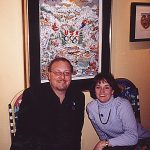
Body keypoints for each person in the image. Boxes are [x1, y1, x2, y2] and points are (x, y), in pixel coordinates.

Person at [10, 57, 85, 150]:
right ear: (49, 75)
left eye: (67, 73)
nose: (62, 77)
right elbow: (23, 133)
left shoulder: (78, 97)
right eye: (58, 73)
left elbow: (76, 135)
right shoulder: (33, 95)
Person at [86, 73, 150, 150]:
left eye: (106, 87)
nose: (102, 91)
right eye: (98, 87)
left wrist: (105, 143)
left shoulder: (122, 105)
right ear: (94, 90)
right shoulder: (91, 108)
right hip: (117, 143)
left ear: (112, 91)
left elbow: (132, 137)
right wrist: (105, 144)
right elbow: (102, 134)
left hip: (140, 140)